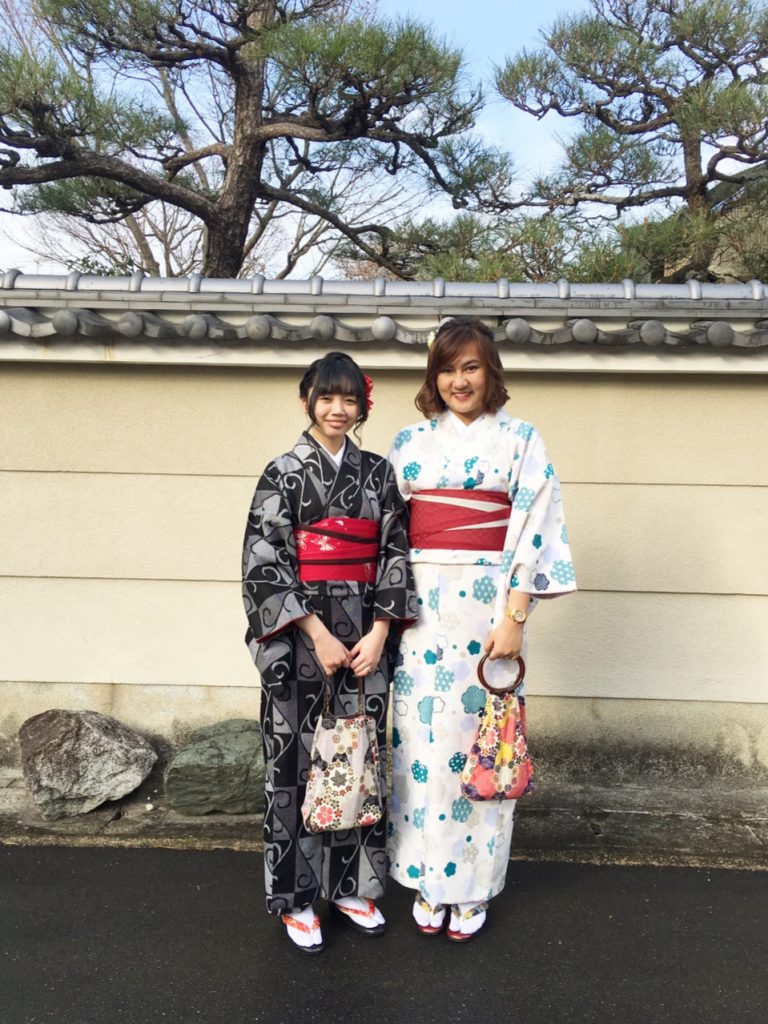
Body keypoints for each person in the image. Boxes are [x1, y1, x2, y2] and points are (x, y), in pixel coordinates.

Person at [387, 317, 576, 942]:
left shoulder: (520, 439)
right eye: (446, 369)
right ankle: (425, 876)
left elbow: (537, 526)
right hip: (419, 612)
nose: (458, 380)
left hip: (488, 611)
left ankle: (470, 886)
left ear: (490, 371)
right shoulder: (410, 443)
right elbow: (388, 533)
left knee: (484, 741)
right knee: (421, 745)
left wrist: (516, 616)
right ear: (433, 377)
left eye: (470, 366)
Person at [242, 351, 417, 954]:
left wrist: (381, 631)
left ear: (362, 406)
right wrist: (316, 633)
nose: (338, 409)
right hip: (300, 640)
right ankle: (295, 897)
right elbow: (263, 562)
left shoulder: (378, 473)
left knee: (358, 758)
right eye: (326, 397)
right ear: (306, 401)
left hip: (365, 636)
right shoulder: (282, 473)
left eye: (349, 400)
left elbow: (396, 552)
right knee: (294, 764)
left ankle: (351, 886)